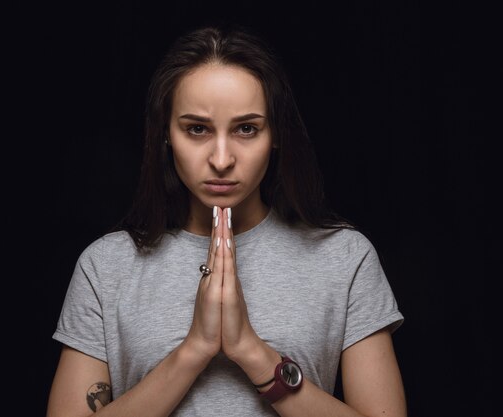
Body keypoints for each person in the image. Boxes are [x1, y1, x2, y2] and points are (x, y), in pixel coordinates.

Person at [46, 24, 406, 417]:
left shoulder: (344, 257)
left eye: (246, 129)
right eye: (197, 129)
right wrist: (194, 349)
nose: (221, 159)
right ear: (166, 133)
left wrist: (250, 351)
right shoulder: (105, 266)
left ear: (276, 135)